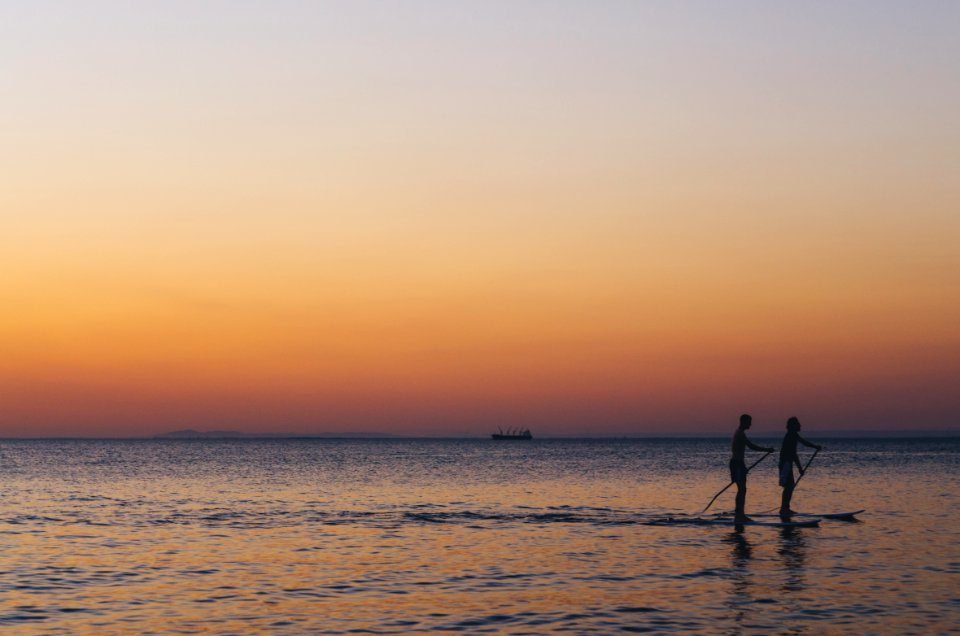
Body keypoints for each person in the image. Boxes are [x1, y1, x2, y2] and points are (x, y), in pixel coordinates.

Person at [730, 413, 774, 522]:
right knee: (742, 489)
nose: (751, 424)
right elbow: (751, 446)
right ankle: (739, 515)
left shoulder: (740, 433)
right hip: (736, 464)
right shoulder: (739, 433)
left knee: (742, 489)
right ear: (743, 422)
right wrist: (766, 450)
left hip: (739, 464)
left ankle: (739, 513)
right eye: (749, 422)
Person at [779, 416, 822, 516]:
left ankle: (785, 508)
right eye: (798, 424)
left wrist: (815, 447)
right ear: (793, 426)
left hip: (787, 464)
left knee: (789, 486)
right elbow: (793, 454)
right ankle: (784, 509)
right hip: (785, 464)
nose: (800, 425)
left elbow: (804, 443)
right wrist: (799, 468)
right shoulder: (791, 435)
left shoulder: (793, 435)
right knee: (788, 486)